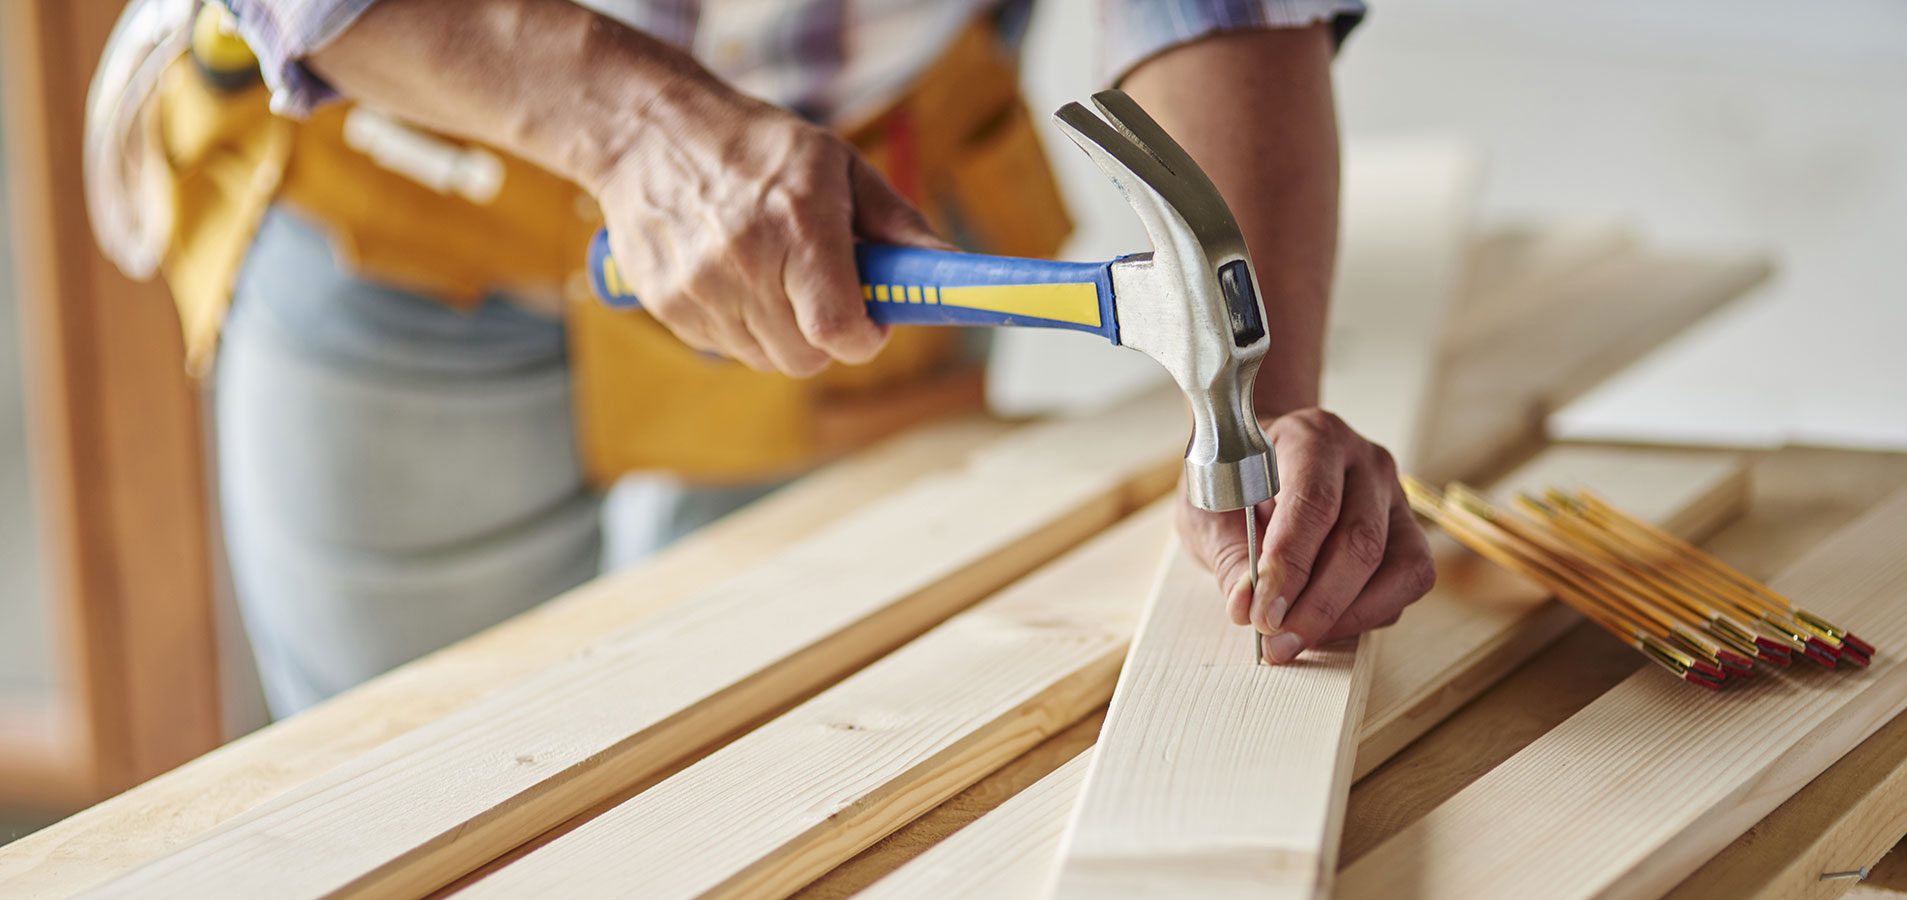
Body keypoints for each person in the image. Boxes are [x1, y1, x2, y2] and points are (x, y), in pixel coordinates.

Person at [147, 0, 1433, 715]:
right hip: (410, 189)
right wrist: (634, 127)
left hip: (847, 209)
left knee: (784, 775)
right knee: (401, 787)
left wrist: (1260, 421)